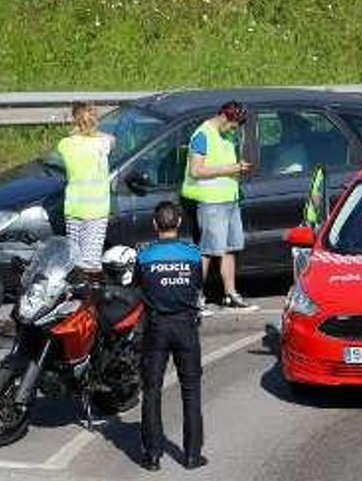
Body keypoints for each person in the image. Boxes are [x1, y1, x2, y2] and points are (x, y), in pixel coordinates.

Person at [136, 201, 206, 471]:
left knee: (151, 391)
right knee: (191, 392)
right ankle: (191, 455)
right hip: (186, 327)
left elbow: (137, 288)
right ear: (178, 223)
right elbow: (198, 285)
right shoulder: (193, 255)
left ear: (155, 225)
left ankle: (152, 456)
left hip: (156, 328)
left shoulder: (144, 256)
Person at [181, 100, 256, 312]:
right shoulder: (202, 135)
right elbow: (196, 171)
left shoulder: (226, 133)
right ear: (224, 117)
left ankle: (231, 294)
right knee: (208, 250)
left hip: (230, 198)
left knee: (230, 249)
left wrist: (238, 168)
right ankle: (196, 298)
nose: (235, 130)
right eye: (233, 125)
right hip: (211, 202)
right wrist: (231, 168)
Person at [57, 102, 115, 278]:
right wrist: (93, 132)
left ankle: (75, 293)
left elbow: (71, 138)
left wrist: (77, 132)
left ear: (74, 120)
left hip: (73, 208)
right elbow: (113, 140)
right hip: (95, 211)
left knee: (75, 258)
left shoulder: (65, 144)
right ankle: (89, 298)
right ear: (94, 120)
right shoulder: (101, 144)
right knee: (91, 262)